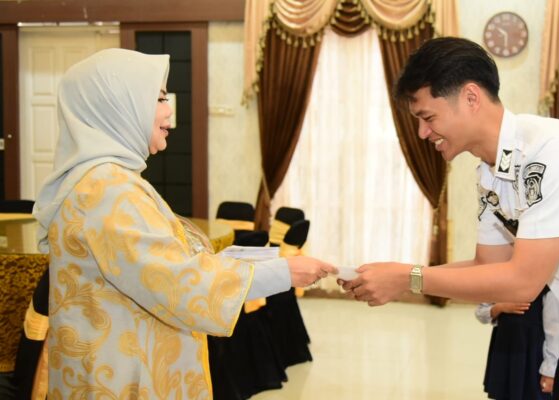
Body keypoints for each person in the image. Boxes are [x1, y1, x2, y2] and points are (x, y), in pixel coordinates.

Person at [339, 37, 559, 399]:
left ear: (471, 98)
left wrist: (409, 278)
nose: (422, 133)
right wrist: (400, 276)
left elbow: (523, 282)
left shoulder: (552, 149)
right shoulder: (489, 172)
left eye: (428, 118)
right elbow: (488, 265)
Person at [31, 48, 336, 399]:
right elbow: (178, 283)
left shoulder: (104, 181)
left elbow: (161, 265)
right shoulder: (109, 190)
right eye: (159, 98)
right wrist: (283, 273)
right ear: (117, 106)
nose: (169, 110)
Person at [475, 287, 559, 400]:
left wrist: (550, 371)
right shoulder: (501, 282)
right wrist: (500, 307)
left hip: (532, 358)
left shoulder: (548, 288)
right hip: (504, 353)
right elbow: (481, 312)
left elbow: (553, 332)